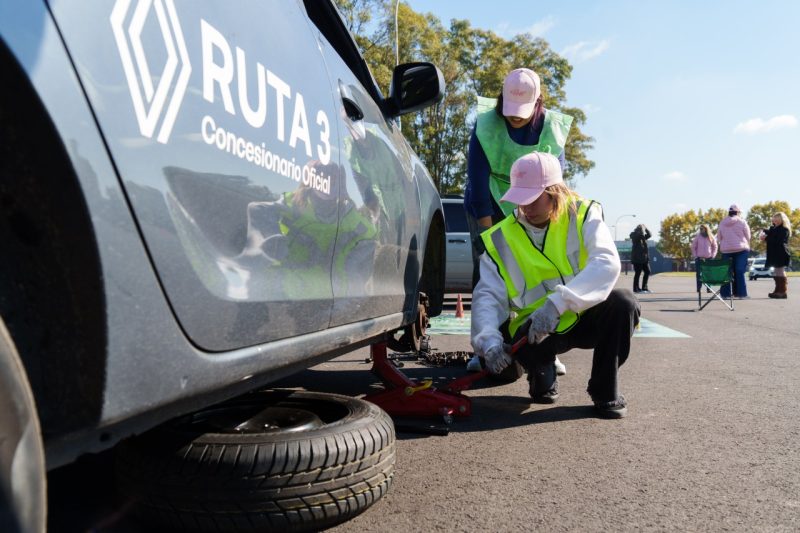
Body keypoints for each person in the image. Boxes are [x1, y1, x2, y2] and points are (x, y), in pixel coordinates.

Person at [471, 152, 639, 418]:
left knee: (623, 304)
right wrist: (489, 343)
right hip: (534, 332)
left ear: (555, 191)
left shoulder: (582, 214)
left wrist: (558, 304)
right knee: (542, 396)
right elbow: (487, 296)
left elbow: (607, 263)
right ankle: (540, 373)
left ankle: (605, 390)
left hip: (584, 317)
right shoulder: (501, 238)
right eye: (520, 198)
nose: (525, 206)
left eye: (533, 198)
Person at [464, 67, 573, 377]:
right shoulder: (486, 124)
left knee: (541, 270)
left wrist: (552, 220)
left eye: (522, 111)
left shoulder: (552, 129)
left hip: (535, 201)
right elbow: (477, 176)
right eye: (510, 110)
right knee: (488, 275)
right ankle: (485, 347)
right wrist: (487, 231)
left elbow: (556, 185)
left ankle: (546, 349)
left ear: (538, 101)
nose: (515, 117)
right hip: (489, 201)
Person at [717, 204, 751, 299]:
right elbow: (748, 236)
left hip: (726, 251)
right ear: (738, 212)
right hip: (741, 250)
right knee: (739, 271)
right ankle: (741, 294)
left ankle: (725, 294)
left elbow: (719, 238)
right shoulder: (742, 222)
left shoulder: (722, 222)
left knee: (726, 272)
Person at [760, 212, 792, 299]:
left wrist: (766, 238)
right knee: (776, 271)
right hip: (774, 253)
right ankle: (778, 290)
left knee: (780, 270)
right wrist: (764, 231)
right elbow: (772, 233)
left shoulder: (784, 229)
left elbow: (778, 241)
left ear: (782, 220)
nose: (775, 222)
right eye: (774, 220)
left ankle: (782, 291)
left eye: (777, 220)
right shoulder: (775, 228)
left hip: (781, 253)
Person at [691, 224, 718, 292]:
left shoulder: (711, 237)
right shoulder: (698, 237)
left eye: (702, 229)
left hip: (709, 259)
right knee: (699, 274)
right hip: (699, 259)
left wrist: (713, 255)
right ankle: (698, 288)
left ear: (706, 229)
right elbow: (693, 247)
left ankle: (709, 288)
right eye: (700, 229)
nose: (701, 230)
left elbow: (715, 247)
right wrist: (695, 256)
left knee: (708, 274)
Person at [630, 224, 652, 293]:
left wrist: (646, 228)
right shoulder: (634, 235)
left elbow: (650, 235)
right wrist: (640, 232)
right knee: (638, 273)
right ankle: (636, 289)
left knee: (647, 271)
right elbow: (635, 237)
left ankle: (644, 288)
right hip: (637, 259)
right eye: (642, 229)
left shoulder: (643, 237)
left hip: (644, 259)